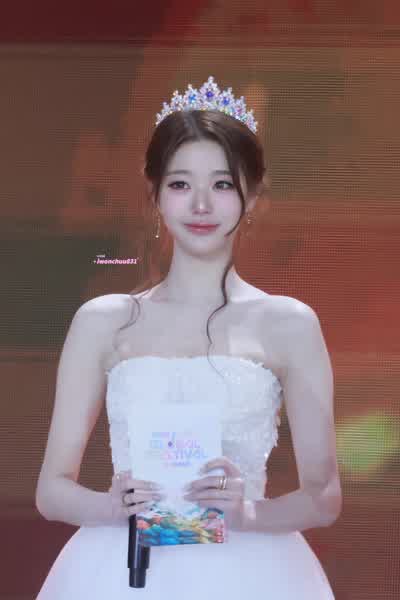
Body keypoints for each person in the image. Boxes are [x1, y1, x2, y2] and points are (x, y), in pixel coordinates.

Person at [35, 76, 342, 598]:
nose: (201, 205)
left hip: (250, 569)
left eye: (221, 185)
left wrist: (247, 513)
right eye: (180, 184)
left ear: (253, 196)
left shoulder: (289, 323)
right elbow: (51, 490)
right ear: (154, 193)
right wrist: (111, 506)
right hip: (121, 566)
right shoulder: (103, 321)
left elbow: (324, 495)